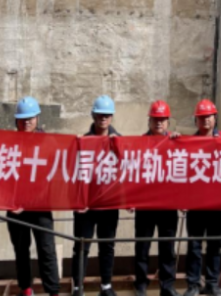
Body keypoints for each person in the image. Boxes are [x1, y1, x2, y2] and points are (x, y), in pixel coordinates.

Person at [6, 97, 60, 296]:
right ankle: (26, 288)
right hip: (16, 207)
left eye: (30, 118)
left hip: (41, 206)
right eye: (22, 118)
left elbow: (53, 176)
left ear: (37, 118)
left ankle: (53, 290)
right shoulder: (9, 144)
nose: (26, 121)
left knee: (46, 249)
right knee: (21, 250)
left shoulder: (49, 143)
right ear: (16, 121)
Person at [72, 96, 122, 296]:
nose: (103, 118)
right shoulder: (82, 141)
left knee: (107, 246)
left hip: (109, 204)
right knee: (82, 246)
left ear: (112, 117)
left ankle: (106, 286)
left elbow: (127, 172)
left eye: (107, 115)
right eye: (100, 114)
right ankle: (78, 287)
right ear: (93, 115)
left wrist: (127, 199)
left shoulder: (120, 141)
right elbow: (75, 174)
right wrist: (78, 200)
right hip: (86, 205)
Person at [135, 100, 180, 296]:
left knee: (167, 248)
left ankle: (167, 286)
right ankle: (141, 285)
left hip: (168, 205)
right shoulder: (139, 143)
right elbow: (132, 173)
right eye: (155, 119)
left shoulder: (175, 142)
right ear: (149, 121)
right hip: (145, 205)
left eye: (162, 119)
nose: (159, 123)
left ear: (168, 121)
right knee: (142, 248)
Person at [185, 100, 221, 296]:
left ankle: (212, 283)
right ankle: (193, 284)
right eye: (201, 118)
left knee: (215, 245)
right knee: (194, 246)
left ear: (215, 118)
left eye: (208, 117)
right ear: (196, 120)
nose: (205, 121)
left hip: (218, 203)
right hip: (195, 204)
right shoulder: (187, 143)